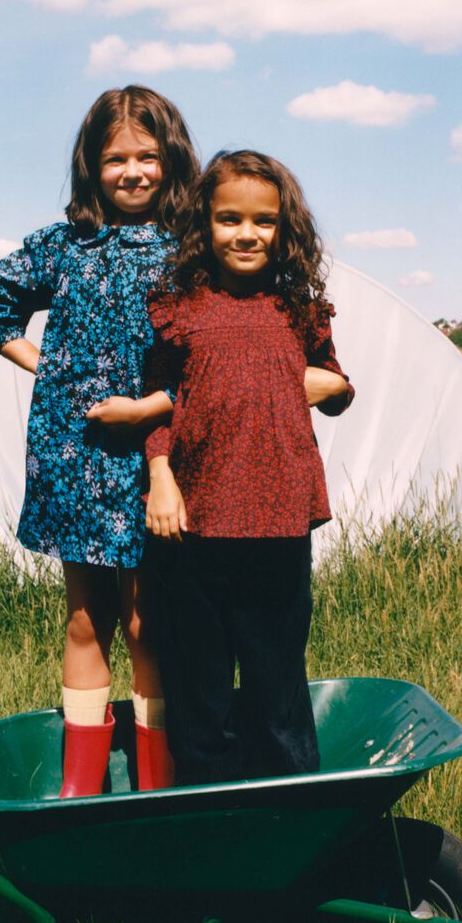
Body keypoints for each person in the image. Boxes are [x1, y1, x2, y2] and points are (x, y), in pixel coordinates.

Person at [0, 87, 199, 797]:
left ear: (173, 160)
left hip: (157, 451)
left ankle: (158, 786)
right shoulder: (65, 245)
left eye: (147, 157)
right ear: (90, 167)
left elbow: (209, 356)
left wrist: (149, 410)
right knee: (83, 617)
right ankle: (80, 788)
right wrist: (46, 367)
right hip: (73, 455)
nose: (132, 172)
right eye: (115, 159)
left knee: (146, 619)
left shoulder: (191, 250)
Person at [94, 150, 353, 785]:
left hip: (277, 523)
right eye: (228, 219)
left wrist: (329, 385)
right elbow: (158, 402)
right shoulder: (180, 306)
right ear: (204, 224)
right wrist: (161, 476)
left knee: (278, 695)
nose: (246, 234)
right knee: (199, 697)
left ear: (284, 227)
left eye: (263, 222)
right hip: (192, 529)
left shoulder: (299, 310)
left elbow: (338, 386)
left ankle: (290, 817)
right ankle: (210, 819)